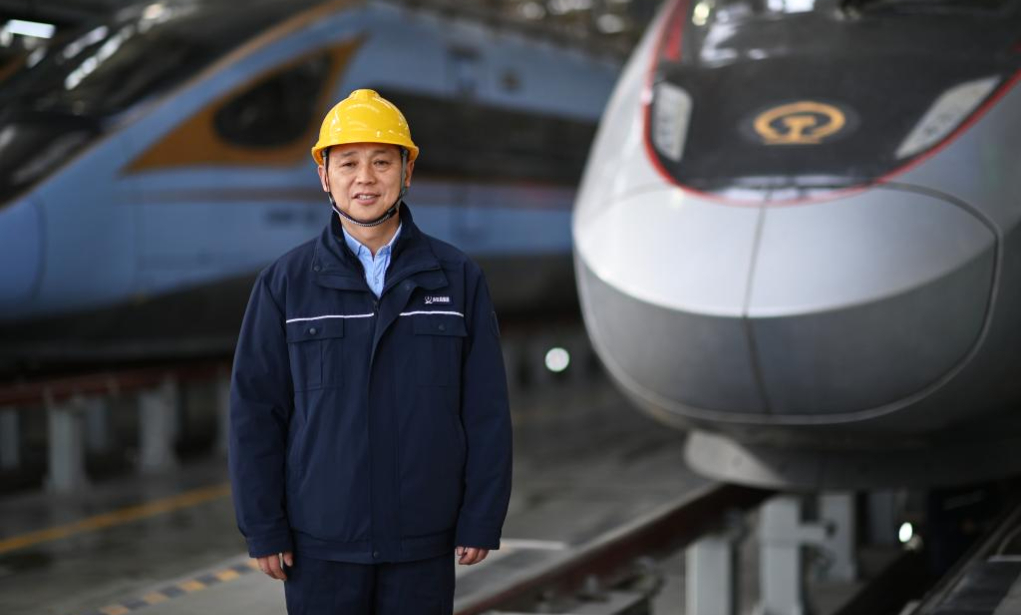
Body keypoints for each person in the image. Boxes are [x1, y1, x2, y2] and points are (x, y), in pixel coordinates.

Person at [228, 88, 513, 614]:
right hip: (321, 542)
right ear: (324, 175)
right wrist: (263, 525)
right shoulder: (285, 285)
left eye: (382, 161)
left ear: (407, 172)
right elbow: (255, 413)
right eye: (348, 163)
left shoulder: (457, 278)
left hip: (422, 538)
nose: (366, 177)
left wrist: (481, 516)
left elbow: (486, 409)